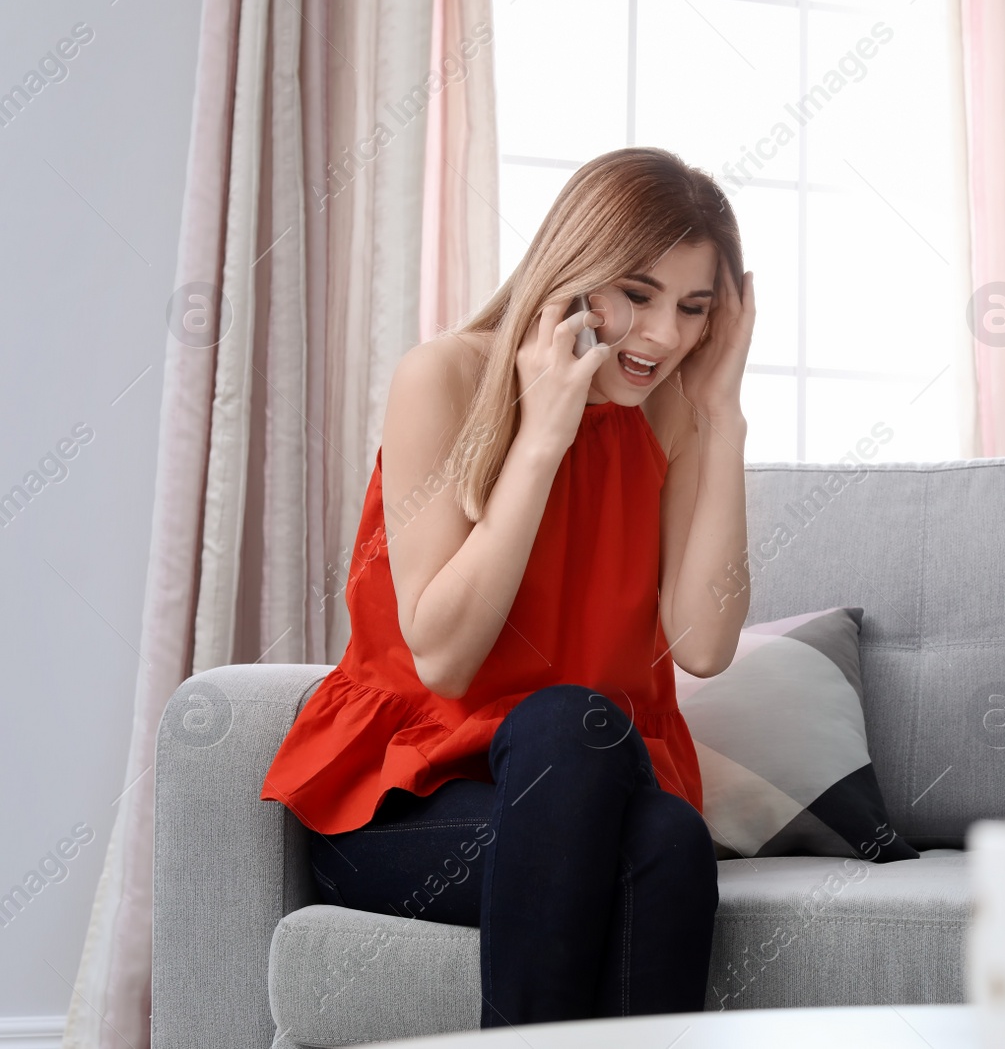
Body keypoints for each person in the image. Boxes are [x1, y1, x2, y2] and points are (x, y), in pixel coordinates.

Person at [259, 146, 755, 1027]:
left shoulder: (674, 410)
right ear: (573, 270)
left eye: (693, 308)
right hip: (405, 806)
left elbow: (706, 645)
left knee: (669, 839)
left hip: (591, 789)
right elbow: (445, 658)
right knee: (568, 722)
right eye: (637, 296)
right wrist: (542, 438)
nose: (664, 337)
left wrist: (721, 416)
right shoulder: (444, 376)